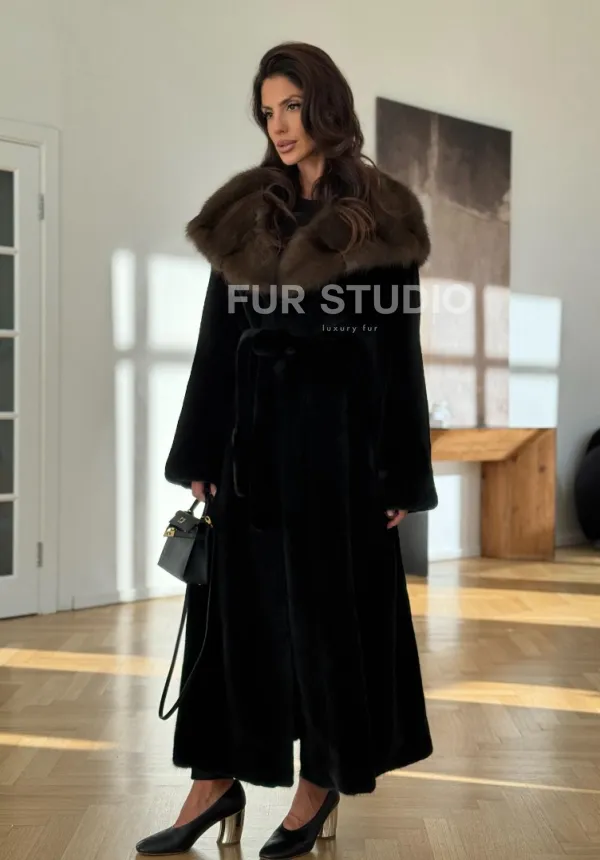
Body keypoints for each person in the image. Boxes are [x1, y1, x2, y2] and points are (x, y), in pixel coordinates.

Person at [135, 40, 438, 860]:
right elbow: (215, 343)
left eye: (292, 106)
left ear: (325, 105)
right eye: (267, 111)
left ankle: (320, 782)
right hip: (250, 454)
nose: (279, 125)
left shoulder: (381, 215)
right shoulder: (245, 211)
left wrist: (400, 470)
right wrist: (201, 451)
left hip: (340, 457)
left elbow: (398, 354)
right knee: (230, 625)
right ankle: (214, 782)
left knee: (330, 629)